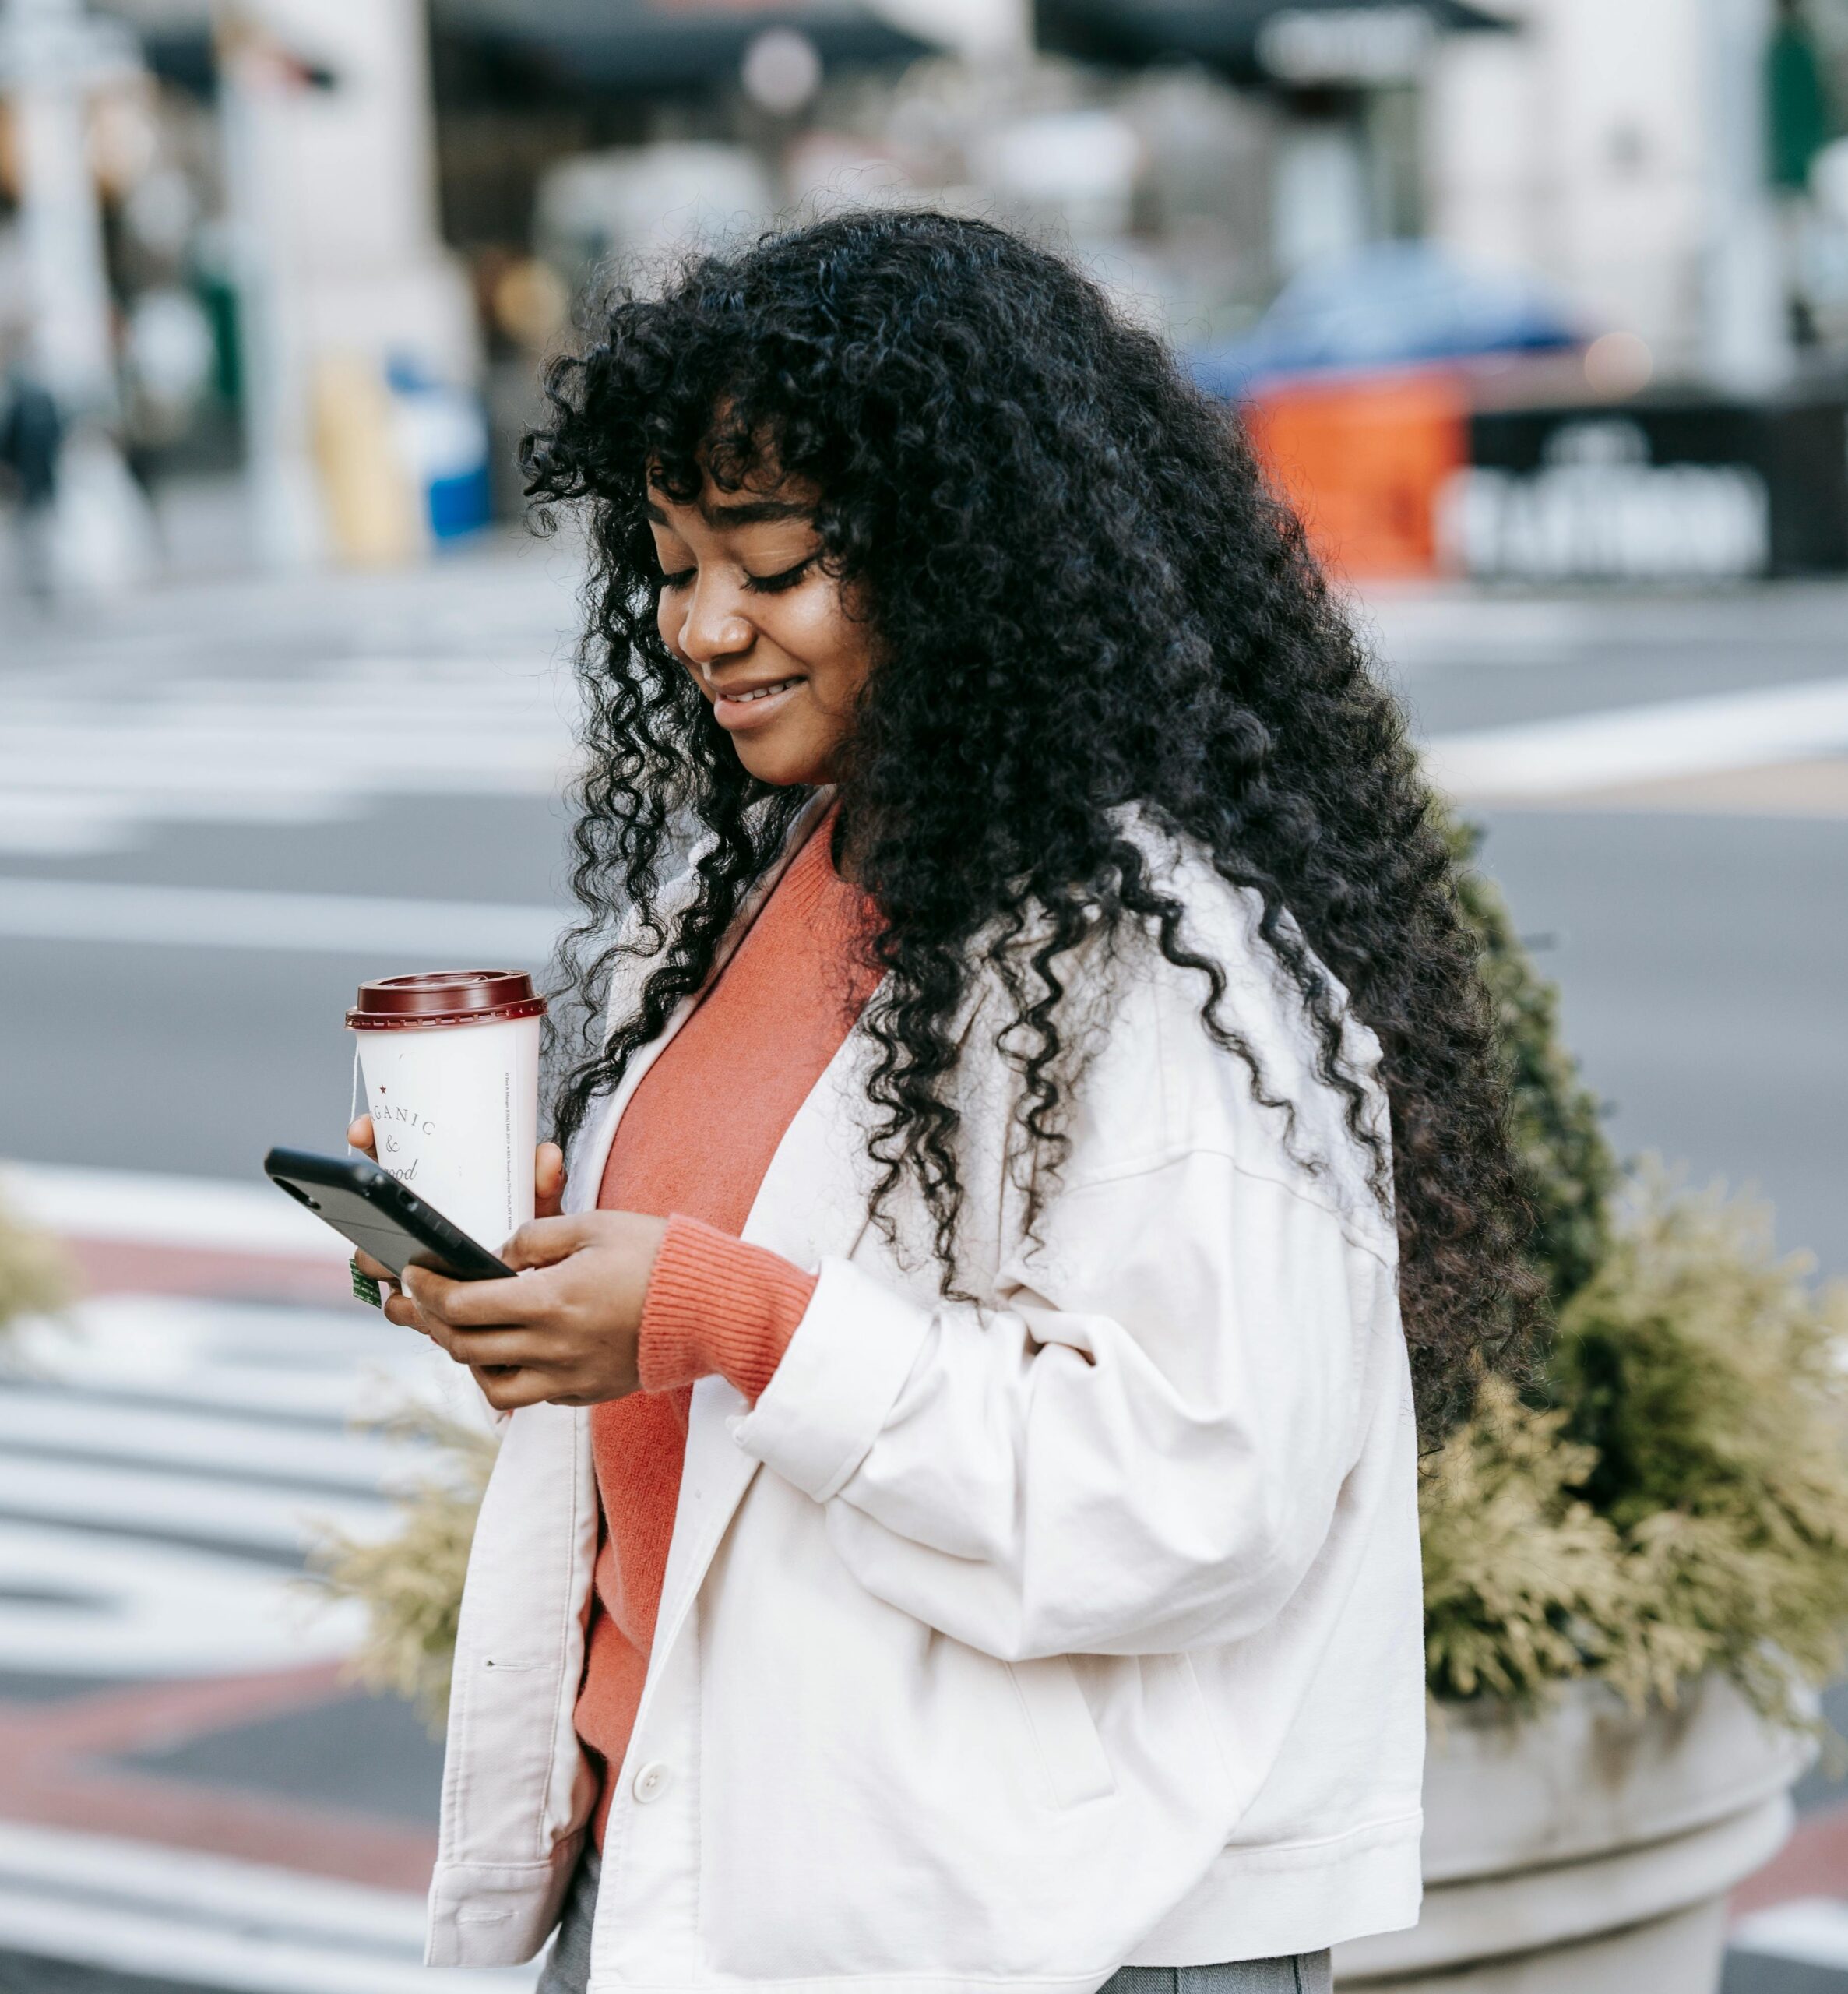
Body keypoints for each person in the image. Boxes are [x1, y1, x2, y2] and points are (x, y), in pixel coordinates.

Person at [351, 210, 1533, 1994]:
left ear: (956, 556)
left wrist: (716, 1311)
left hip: (1028, 1930)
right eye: (670, 562)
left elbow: (1193, 1497)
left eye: (765, 560)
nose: (698, 625)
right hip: (701, 1876)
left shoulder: (1145, 959)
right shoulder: (763, 883)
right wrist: (520, 1291)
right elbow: (705, 1341)